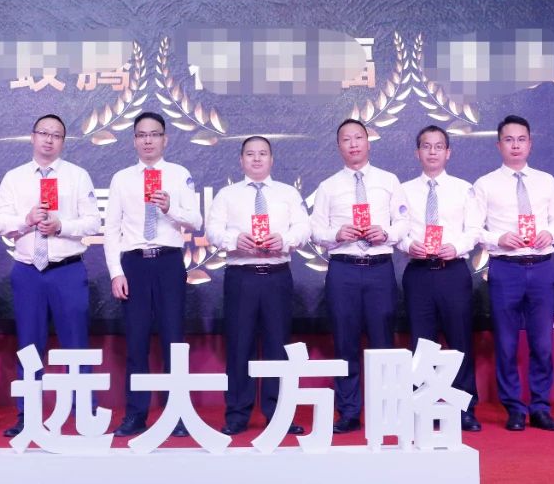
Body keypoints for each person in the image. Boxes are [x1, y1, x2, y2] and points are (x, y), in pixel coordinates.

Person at [0, 114, 101, 437]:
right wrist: (26, 220)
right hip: (28, 271)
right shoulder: (14, 178)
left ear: (63, 142)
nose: (49, 139)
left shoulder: (77, 176)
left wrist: (61, 226)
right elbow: (0, 223)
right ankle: (27, 415)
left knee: (76, 344)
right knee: (29, 345)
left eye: (56, 135)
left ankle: (85, 413)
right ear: (32, 137)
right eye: (43, 133)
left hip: (67, 269)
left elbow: (93, 222)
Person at [104, 113, 202, 437]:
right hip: (134, 264)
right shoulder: (121, 179)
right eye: (141, 135)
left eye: (154, 134)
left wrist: (170, 207)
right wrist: (116, 272)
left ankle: (178, 414)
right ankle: (135, 414)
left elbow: (196, 221)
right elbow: (111, 230)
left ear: (165, 139)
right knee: (136, 343)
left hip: (169, 262)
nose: (148, 140)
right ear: (134, 140)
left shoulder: (179, 174)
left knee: (174, 341)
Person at [205, 136, 309, 437]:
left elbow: (304, 228)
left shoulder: (288, 193)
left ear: (271, 159)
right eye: (250, 154)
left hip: (277, 275)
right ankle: (237, 414)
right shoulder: (227, 195)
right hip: (242, 276)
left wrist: (284, 239)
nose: (257, 159)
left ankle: (278, 413)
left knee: (279, 346)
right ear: (241, 160)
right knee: (240, 346)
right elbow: (212, 230)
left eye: (263, 153)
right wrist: (234, 240)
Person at [310, 118, 408, 433]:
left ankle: (387, 411)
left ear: (368, 142)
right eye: (346, 139)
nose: (353, 144)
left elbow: (403, 223)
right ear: (338, 146)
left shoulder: (389, 181)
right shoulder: (328, 186)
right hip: (343, 269)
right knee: (345, 342)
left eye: (358, 138)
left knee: (383, 342)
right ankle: (349, 412)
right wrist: (336, 234)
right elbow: (315, 230)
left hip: (379, 268)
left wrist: (387, 232)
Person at [468, 115, 554, 432]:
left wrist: (550, 232)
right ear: (499, 145)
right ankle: (514, 408)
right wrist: (499, 238)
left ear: (530, 143)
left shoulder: (546, 181)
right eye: (509, 140)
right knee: (506, 344)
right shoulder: (485, 184)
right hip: (505, 269)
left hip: (541, 267)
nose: (516, 145)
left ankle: (540, 407)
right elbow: (474, 229)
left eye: (521, 139)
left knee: (542, 344)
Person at [399, 125, 481, 432]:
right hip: (419, 273)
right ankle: (424, 407)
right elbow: (397, 230)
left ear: (448, 153)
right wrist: (409, 245)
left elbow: (474, 230)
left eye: (438, 147)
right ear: (417, 152)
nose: (432, 152)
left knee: (460, 341)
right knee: (422, 345)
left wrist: (455, 247)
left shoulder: (464, 189)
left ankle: (465, 409)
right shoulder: (403, 190)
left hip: (453, 271)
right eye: (426, 146)